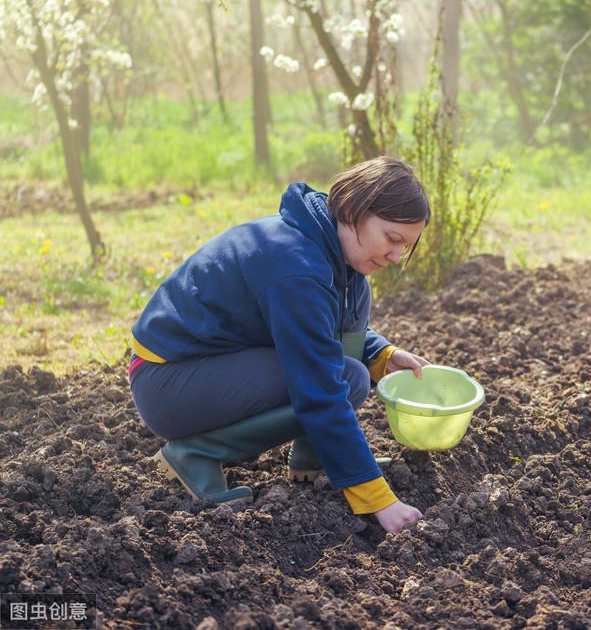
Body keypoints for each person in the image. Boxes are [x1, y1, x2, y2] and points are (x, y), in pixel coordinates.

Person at [127, 156, 430, 533]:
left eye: (406, 247)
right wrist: (378, 499)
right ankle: (196, 453)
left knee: (350, 374)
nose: (396, 257)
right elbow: (318, 388)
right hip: (168, 382)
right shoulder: (294, 263)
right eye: (392, 239)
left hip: (215, 367)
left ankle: (314, 454)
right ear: (354, 210)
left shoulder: (337, 258)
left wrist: (380, 354)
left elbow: (323, 331)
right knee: (325, 380)